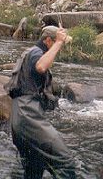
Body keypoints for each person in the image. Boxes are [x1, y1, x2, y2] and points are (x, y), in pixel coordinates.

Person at [10, 25, 76, 179]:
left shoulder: (30, 52)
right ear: (48, 40)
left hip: (19, 117)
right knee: (66, 161)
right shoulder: (36, 53)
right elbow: (40, 67)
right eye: (56, 43)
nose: (59, 49)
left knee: (34, 168)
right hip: (27, 116)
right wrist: (59, 42)